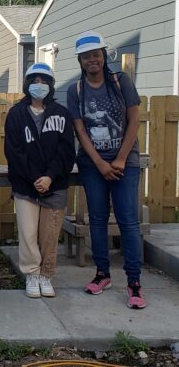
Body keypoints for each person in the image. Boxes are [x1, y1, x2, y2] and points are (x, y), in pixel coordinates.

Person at [66, 31, 146, 309]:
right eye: (86, 56)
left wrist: (121, 159)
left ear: (103, 55)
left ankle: (134, 283)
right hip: (92, 164)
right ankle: (102, 274)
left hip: (125, 162)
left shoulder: (120, 81)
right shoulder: (76, 90)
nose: (92, 60)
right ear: (80, 60)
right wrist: (99, 163)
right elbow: (79, 129)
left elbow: (134, 118)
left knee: (128, 222)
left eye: (95, 54)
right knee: (97, 220)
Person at [4, 63, 75, 298]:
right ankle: (32, 274)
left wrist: (49, 176)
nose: (39, 85)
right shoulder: (16, 114)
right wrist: (35, 177)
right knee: (27, 233)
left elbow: (66, 151)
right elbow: (14, 151)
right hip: (26, 185)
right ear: (27, 84)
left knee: (49, 234)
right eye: (34, 80)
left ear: (51, 85)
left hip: (55, 185)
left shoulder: (62, 114)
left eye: (44, 81)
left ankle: (46, 274)